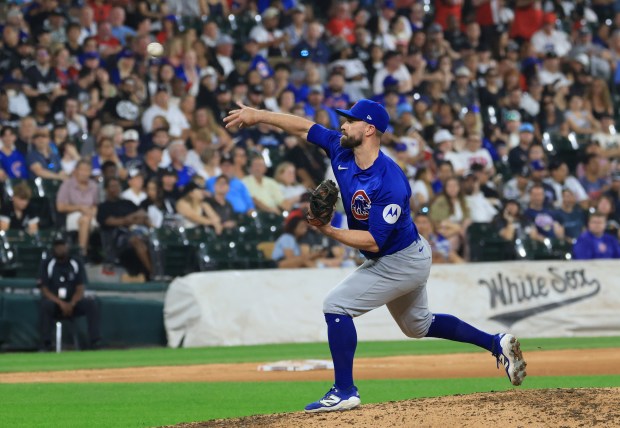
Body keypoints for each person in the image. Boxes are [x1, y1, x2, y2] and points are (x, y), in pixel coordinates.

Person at [224, 99, 527, 413]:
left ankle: (344, 390)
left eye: (350, 121)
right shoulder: (341, 150)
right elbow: (303, 127)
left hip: (401, 260)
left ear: (369, 129)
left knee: (336, 305)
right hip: (403, 254)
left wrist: (326, 229)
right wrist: (257, 115)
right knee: (417, 327)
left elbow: (372, 242)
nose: (342, 125)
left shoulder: (390, 181)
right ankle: (496, 342)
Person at [38, 238, 101, 351]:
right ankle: (46, 344)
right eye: (57, 246)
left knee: (91, 304)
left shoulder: (75, 262)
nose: (60, 249)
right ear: (53, 248)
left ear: (67, 247)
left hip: (73, 303)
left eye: (62, 246)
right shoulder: (47, 263)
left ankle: (95, 342)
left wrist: (72, 303)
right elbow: (45, 290)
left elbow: (80, 288)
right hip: (55, 304)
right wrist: (61, 303)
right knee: (46, 305)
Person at [56, 160, 99, 256]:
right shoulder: (67, 185)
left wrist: (94, 210)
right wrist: (80, 208)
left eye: (87, 170)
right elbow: (60, 207)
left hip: (91, 214)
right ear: (76, 171)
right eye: (82, 170)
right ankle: (82, 252)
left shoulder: (94, 186)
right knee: (85, 220)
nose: (84, 173)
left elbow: (96, 204)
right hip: (72, 215)